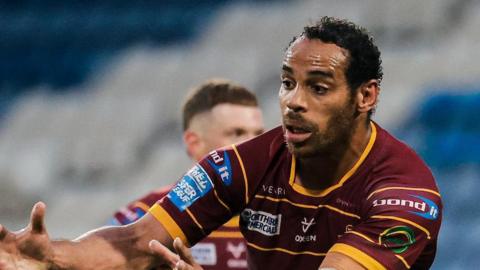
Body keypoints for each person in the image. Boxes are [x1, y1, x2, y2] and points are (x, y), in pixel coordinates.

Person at [0, 16, 442, 270]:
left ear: (366, 95)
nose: (293, 102)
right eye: (288, 83)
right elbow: (136, 243)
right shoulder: (246, 165)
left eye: (318, 88)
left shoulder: (405, 195)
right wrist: (52, 256)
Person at [111, 78, 264, 269]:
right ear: (194, 142)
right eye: (237, 133)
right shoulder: (140, 218)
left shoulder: (292, 217)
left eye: (259, 134)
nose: (253, 146)